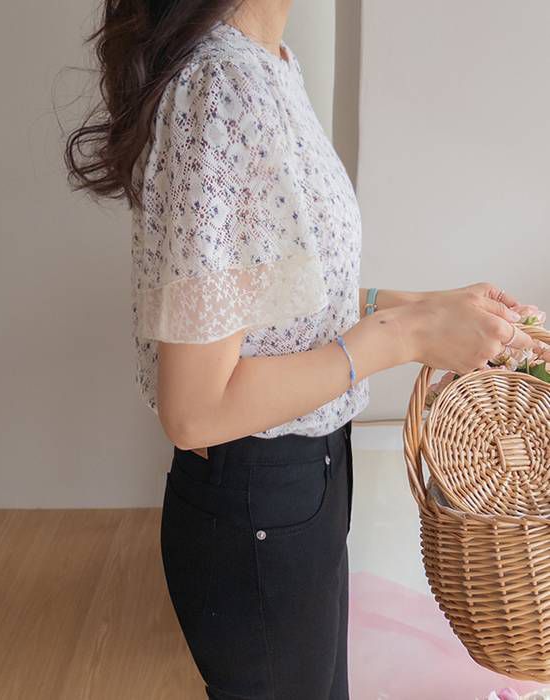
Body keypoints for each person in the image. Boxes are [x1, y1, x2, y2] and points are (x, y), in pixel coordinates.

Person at [63, 1, 542, 697]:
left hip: (302, 484)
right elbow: (194, 410)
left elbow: (280, 303)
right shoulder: (219, 88)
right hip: (259, 500)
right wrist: (406, 336)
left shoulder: (271, 67)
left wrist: (427, 309)